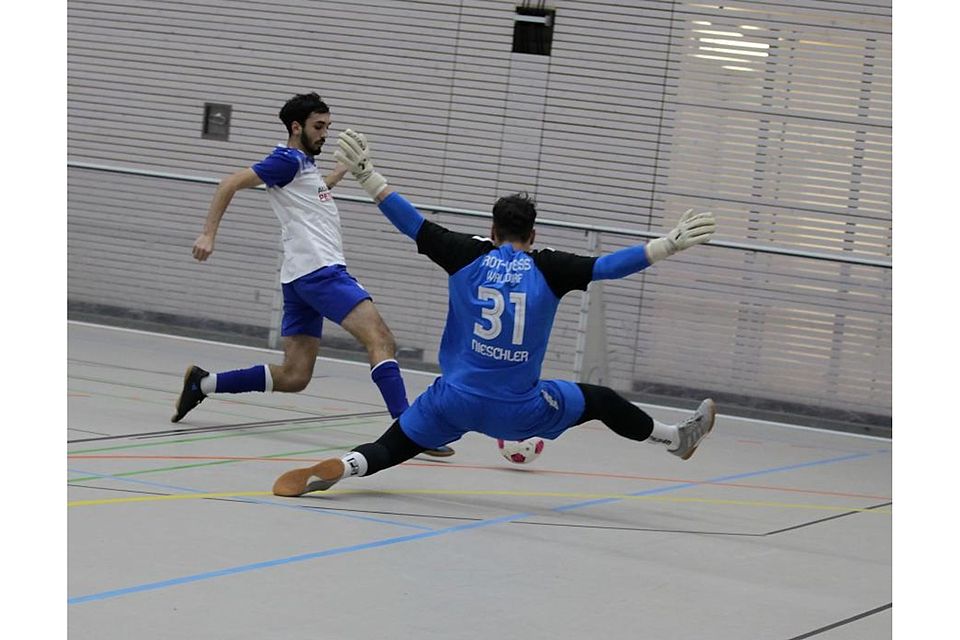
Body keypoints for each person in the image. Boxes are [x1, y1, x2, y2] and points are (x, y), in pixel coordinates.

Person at [272, 129, 717, 497]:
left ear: (492, 229)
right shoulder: (550, 267)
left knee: (397, 444)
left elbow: (413, 224)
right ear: (533, 233)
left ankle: (351, 465)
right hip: (518, 411)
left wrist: (369, 176)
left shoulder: (465, 255)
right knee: (599, 401)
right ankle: (675, 439)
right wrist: (667, 245)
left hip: (453, 400)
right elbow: (608, 268)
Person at [171, 93, 454, 457]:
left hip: (300, 277)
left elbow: (312, 194)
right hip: (322, 273)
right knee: (382, 340)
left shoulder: (301, 165)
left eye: (328, 127)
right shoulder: (286, 161)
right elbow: (228, 183)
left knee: (295, 376)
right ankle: (410, 431)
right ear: (296, 127)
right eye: (319, 127)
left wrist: (346, 169)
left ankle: (204, 383)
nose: (325, 134)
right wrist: (208, 233)